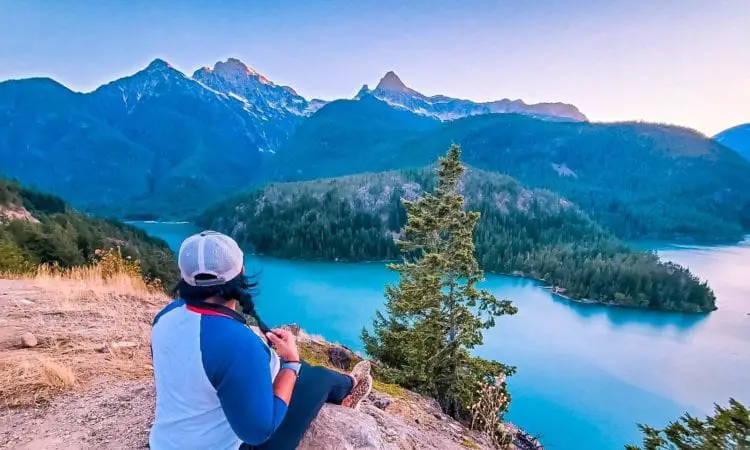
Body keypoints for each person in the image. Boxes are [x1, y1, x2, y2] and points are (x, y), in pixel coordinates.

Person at [149, 230, 373, 450]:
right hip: (234, 443)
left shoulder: (165, 316)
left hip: (163, 443)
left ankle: (346, 386)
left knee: (302, 373)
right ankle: (351, 386)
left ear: (183, 276)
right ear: (242, 273)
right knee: (316, 377)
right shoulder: (237, 343)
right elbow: (259, 432)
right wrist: (291, 363)